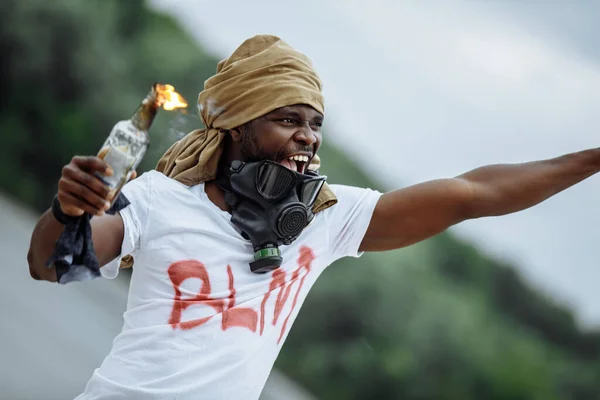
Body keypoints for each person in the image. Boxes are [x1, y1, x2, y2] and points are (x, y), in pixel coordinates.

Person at [27, 34, 600, 400]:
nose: (306, 135)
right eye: (287, 118)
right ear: (237, 125)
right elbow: (50, 263)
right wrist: (67, 210)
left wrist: (592, 158)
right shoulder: (159, 198)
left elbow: (472, 193)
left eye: (314, 122)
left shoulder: (325, 217)